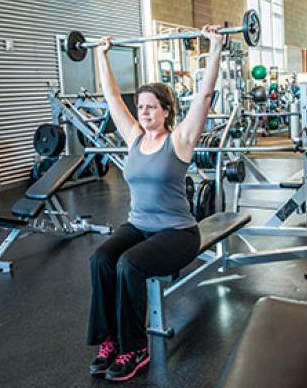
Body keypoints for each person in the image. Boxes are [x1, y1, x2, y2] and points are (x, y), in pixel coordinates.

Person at [87, 25, 223, 383]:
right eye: (141, 107)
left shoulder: (179, 141)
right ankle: (111, 340)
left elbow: (204, 95)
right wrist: (100, 55)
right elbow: (112, 98)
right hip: (139, 225)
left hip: (177, 232)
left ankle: (136, 348)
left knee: (129, 265)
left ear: (165, 111)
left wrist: (216, 47)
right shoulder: (134, 137)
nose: (143, 112)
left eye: (151, 107)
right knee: (101, 259)